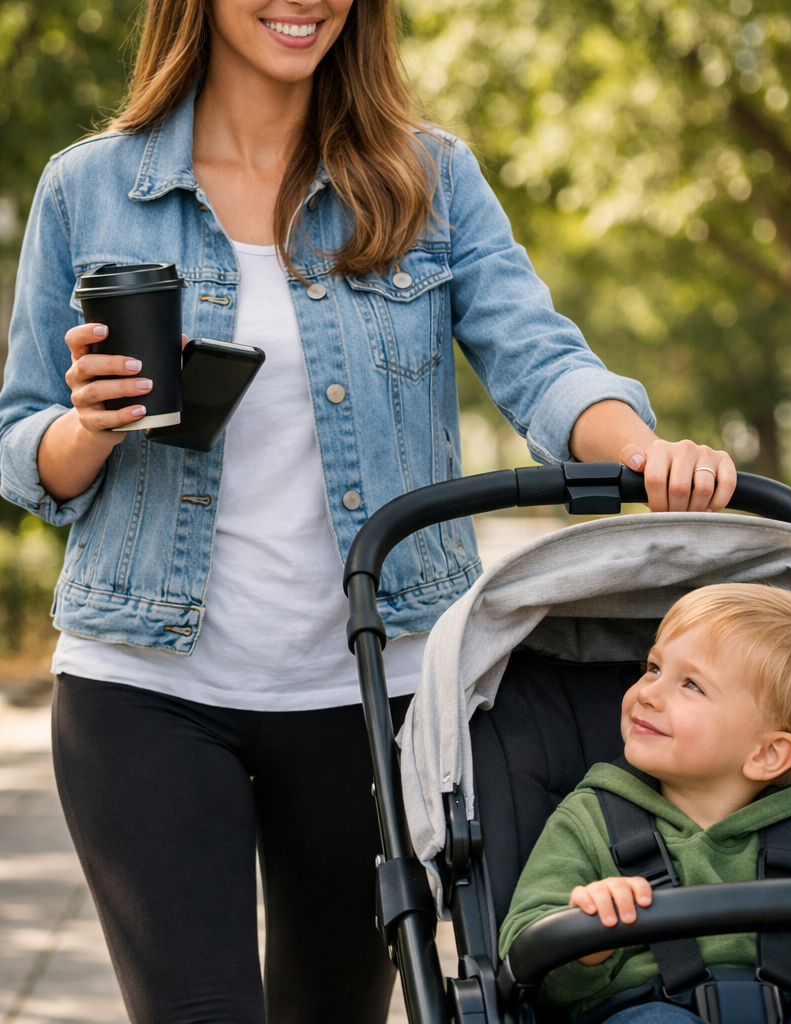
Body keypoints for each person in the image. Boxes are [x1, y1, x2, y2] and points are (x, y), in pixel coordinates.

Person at [0, 0, 738, 1021]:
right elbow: (22, 441)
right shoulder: (88, 187)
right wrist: (91, 426)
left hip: (372, 696)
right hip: (143, 690)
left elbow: (541, 359)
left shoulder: (426, 178)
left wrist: (645, 450)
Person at [498, 584, 791, 1023]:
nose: (648, 692)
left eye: (691, 684)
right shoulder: (589, 822)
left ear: (767, 754)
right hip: (648, 1007)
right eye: (653, 668)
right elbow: (529, 964)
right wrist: (588, 934)